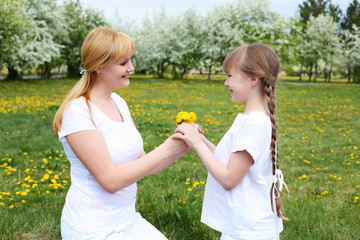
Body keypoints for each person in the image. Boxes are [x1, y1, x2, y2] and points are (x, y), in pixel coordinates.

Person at [53, 26, 188, 240]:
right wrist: (166, 149)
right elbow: (111, 181)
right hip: (93, 228)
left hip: (127, 220)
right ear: (99, 66)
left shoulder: (118, 102)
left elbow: (142, 163)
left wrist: (180, 146)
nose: (131, 68)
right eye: (123, 63)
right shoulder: (77, 111)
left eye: (130, 61)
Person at [174, 43, 288, 240]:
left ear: (253, 79)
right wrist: (200, 139)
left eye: (230, 76)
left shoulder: (254, 123)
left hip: (248, 231)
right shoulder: (252, 118)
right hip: (244, 226)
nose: (225, 83)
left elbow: (229, 178)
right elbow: (231, 162)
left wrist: (198, 144)